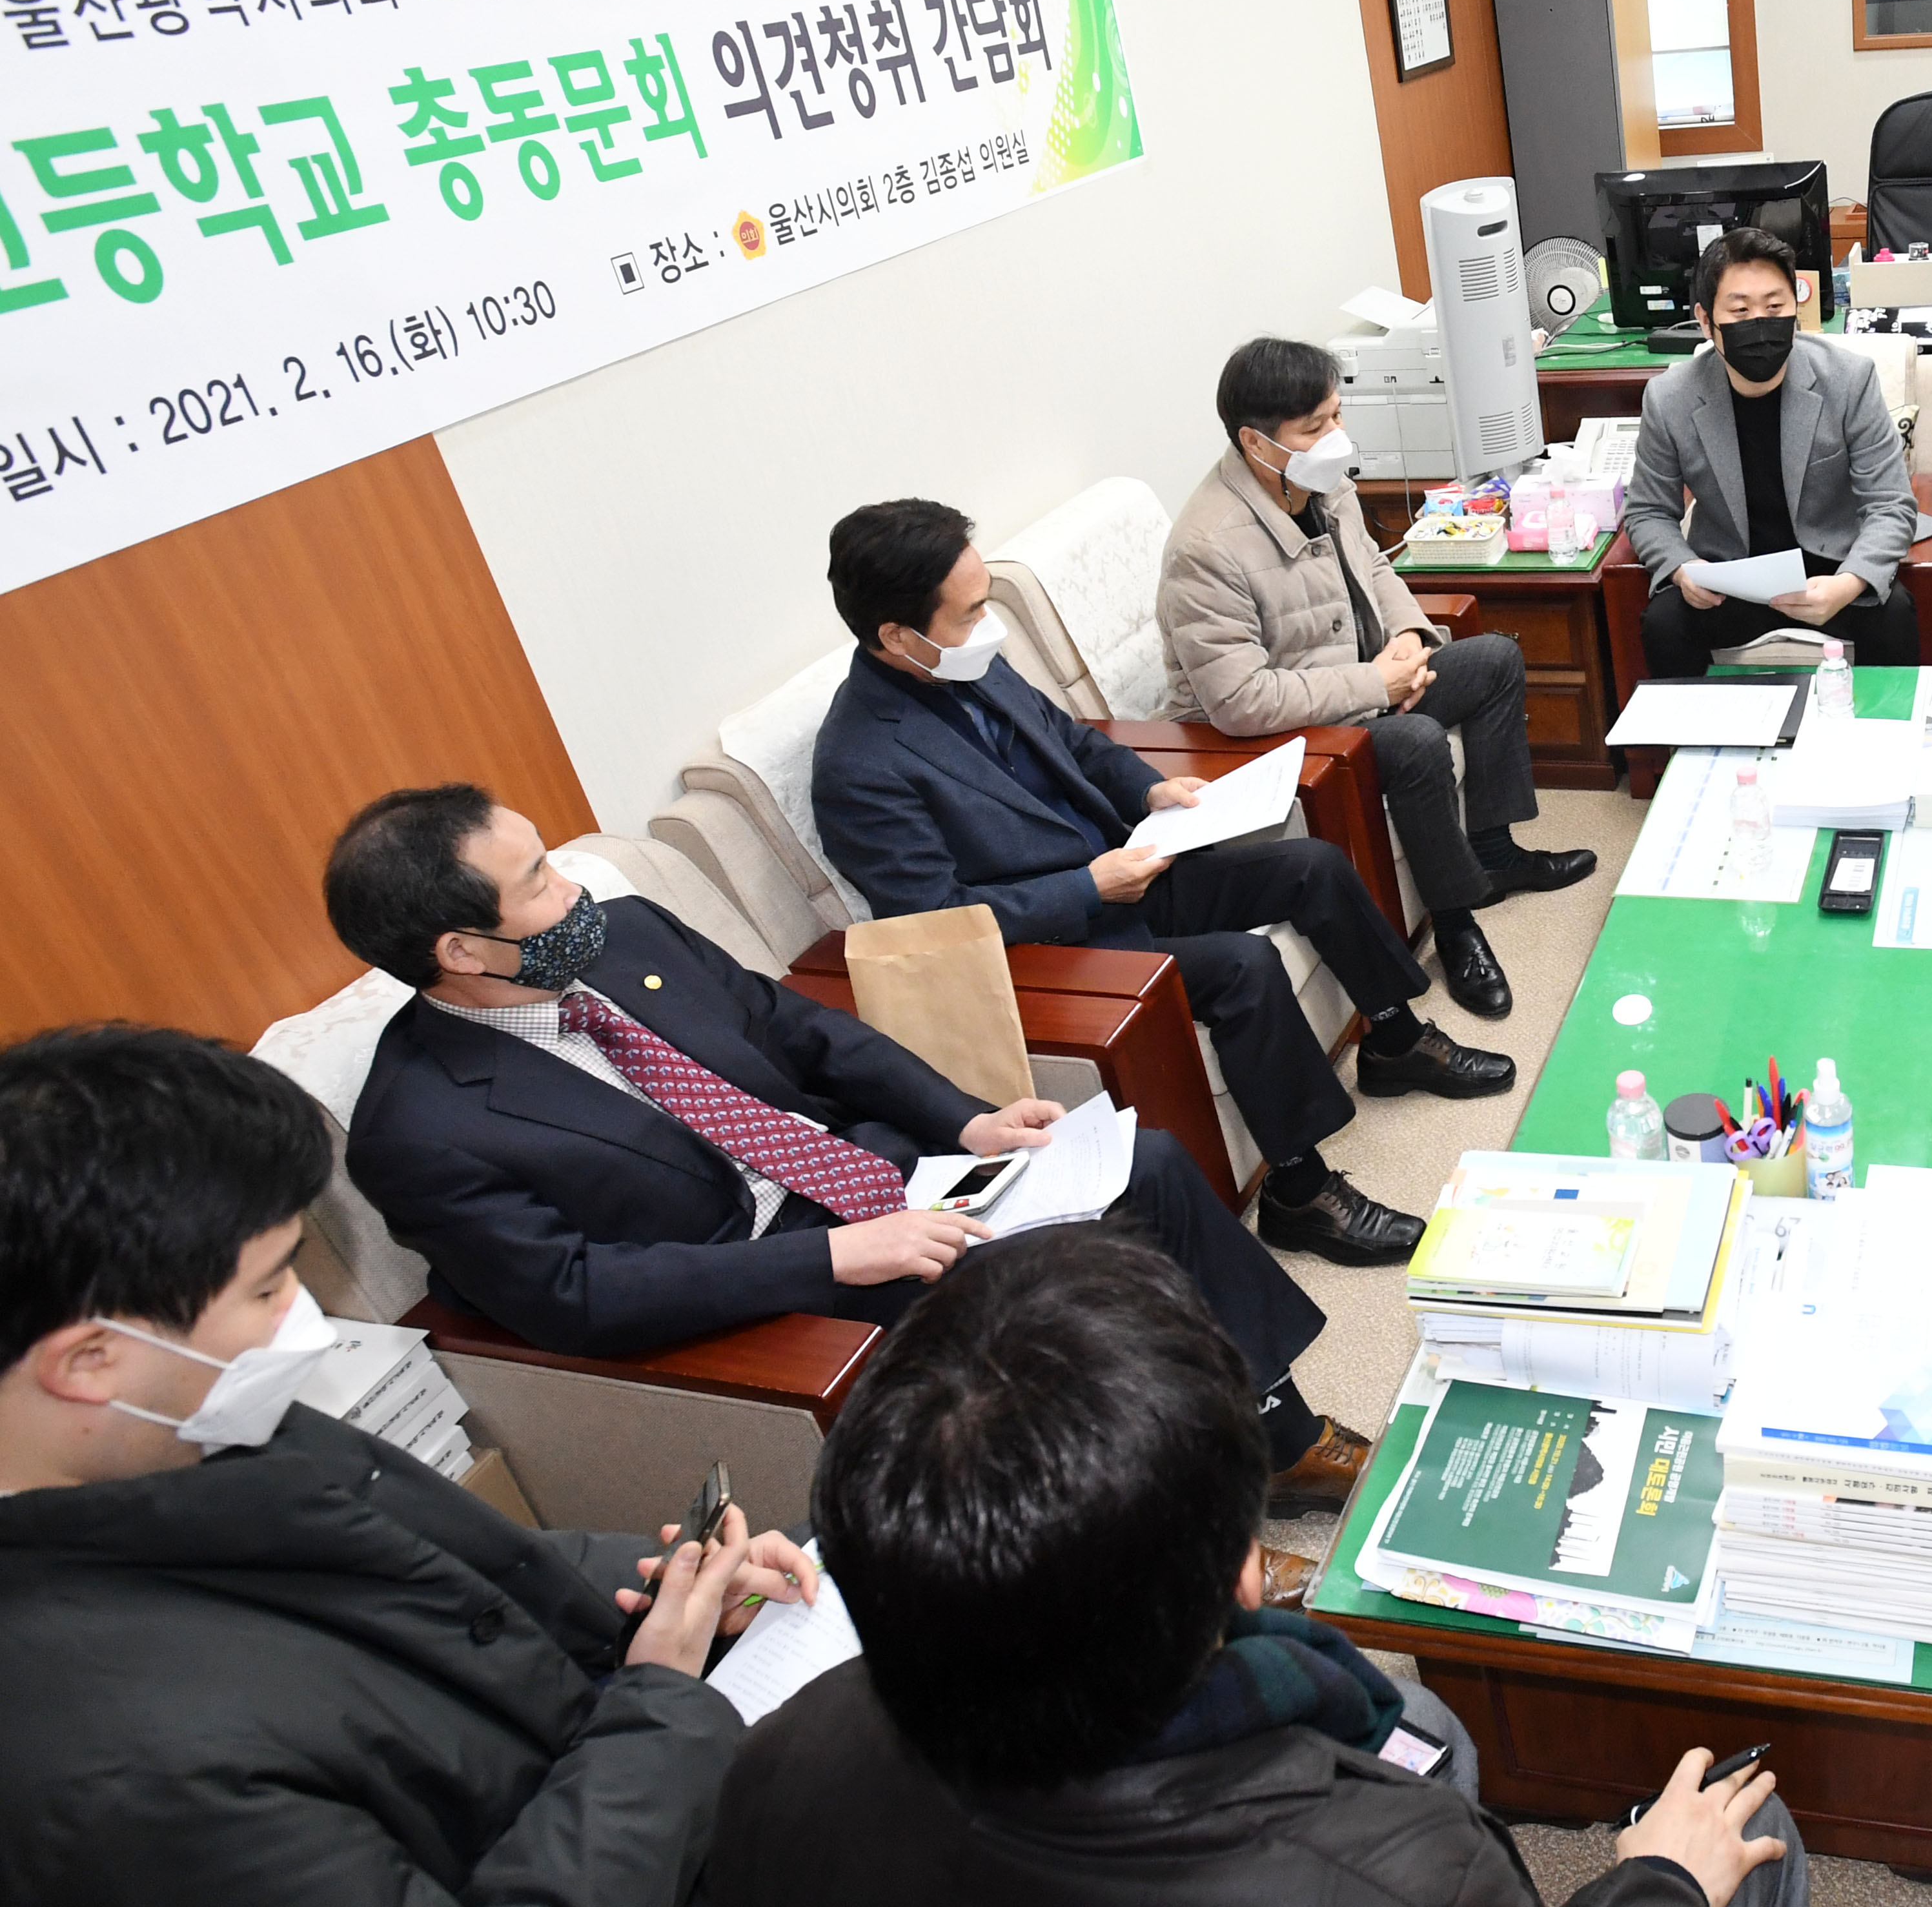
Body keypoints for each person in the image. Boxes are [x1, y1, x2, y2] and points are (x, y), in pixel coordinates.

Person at [325, 786, 1374, 1542]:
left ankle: (1276, 1433)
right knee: (1063, 1288)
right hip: (762, 1286)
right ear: (461, 952)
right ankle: (1173, 1543)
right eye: (539, 881)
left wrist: (963, 1122)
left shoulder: (627, 935)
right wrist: (834, 1259)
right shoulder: (419, 1127)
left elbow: (800, 1030)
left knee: (1143, 1167)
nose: (575, 888)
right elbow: (575, 1296)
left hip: (868, 1179)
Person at [711, 1230, 1811, 1907]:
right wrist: (1657, 1881)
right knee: (1752, 1840)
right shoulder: (1405, 1873)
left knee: (1435, 1738)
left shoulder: (779, 1757)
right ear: (1242, 1572)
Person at [0, 1023, 800, 1905]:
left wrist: (665, 1587)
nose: (302, 1317)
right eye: (267, 1289)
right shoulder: (121, 1775)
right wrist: (658, 1703)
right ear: (87, 1363)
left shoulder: (189, 1419)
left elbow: (465, 1568)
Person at [812, 498, 1521, 1270]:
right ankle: (1300, 1193)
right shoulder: (859, 763)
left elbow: (1078, 745)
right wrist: (1088, 886)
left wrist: (1150, 793)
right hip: (1054, 941)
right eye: (973, 610)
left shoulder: (971, 664)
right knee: (1244, 968)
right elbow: (934, 922)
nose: (990, 624)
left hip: (1127, 868)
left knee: (1311, 867)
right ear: (896, 636)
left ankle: (1395, 1038)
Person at [1162, 334, 1598, 1019]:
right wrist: (1379, 685)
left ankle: (1494, 853)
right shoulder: (1206, 549)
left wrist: (1407, 640)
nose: (1337, 436)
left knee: (1494, 660)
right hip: (1280, 738)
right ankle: (1457, 926)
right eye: (1316, 427)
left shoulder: (1316, 480)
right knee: (1418, 740)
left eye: (1337, 415)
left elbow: (1374, 568)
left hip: (1361, 680)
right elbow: (1239, 702)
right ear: (1256, 443)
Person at [1625, 225, 1922, 680]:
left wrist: (1849, 582)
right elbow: (1647, 512)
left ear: (1795, 309)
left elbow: (1890, 504)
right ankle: (1692, 748)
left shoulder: (1848, 379)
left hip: (1829, 574)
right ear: (1706, 321)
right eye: (1740, 311)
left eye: (1775, 307)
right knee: (1664, 623)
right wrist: (1682, 568)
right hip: (1729, 579)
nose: (1760, 324)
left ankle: (1884, 744)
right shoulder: (1670, 398)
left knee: (1894, 611)